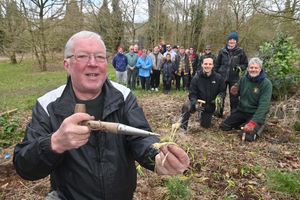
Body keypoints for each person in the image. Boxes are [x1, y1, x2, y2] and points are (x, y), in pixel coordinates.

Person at [13, 31, 190, 200]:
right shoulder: (48, 105)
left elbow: (140, 138)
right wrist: (55, 142)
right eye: (82, 56)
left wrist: (158, 158)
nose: (93, 63)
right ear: (67, 65)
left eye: (100, 57)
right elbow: (25, 167)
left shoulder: (124, 96)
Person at [219, 57, 272, 142]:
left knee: (247, 136)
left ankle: (258, 125)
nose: (253, 70)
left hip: (255, 114)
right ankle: (243, 124)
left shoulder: (266, 83)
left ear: (260, 69)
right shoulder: (244, 79)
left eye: (256, 68)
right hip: (242, 111)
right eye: (251, 68)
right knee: (224, 126)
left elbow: (264, 106)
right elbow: (236, 90)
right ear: (248, 68)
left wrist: (253, 122)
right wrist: (234, 91)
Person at [180, 57, 226, 131]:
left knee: (205, 126)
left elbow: (223, 91)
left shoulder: (218, 78)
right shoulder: (196, 77)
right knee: (186, 106)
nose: (207, 66)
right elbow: (192, 93)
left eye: (210, 64)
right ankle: (183, 127)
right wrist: (195, 103)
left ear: (213, 65)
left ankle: (202, 116)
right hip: (198, 103)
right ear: (202, 65)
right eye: (205, 64)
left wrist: (219, 97)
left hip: (210, 105)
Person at [215, 32, 248, 116]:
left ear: (236, 41)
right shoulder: (222, 51)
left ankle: (234, 114)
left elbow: (245, 64)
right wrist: (216, 74)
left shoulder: (240, 51)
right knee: (220, 95)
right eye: (230, 40)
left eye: (233, 40)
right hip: (222, 76)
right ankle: (219, 112)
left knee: (234, 97)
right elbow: (217, 64)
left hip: (234, 78)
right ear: (227, 41)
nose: (231, 41)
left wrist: (240, 68)